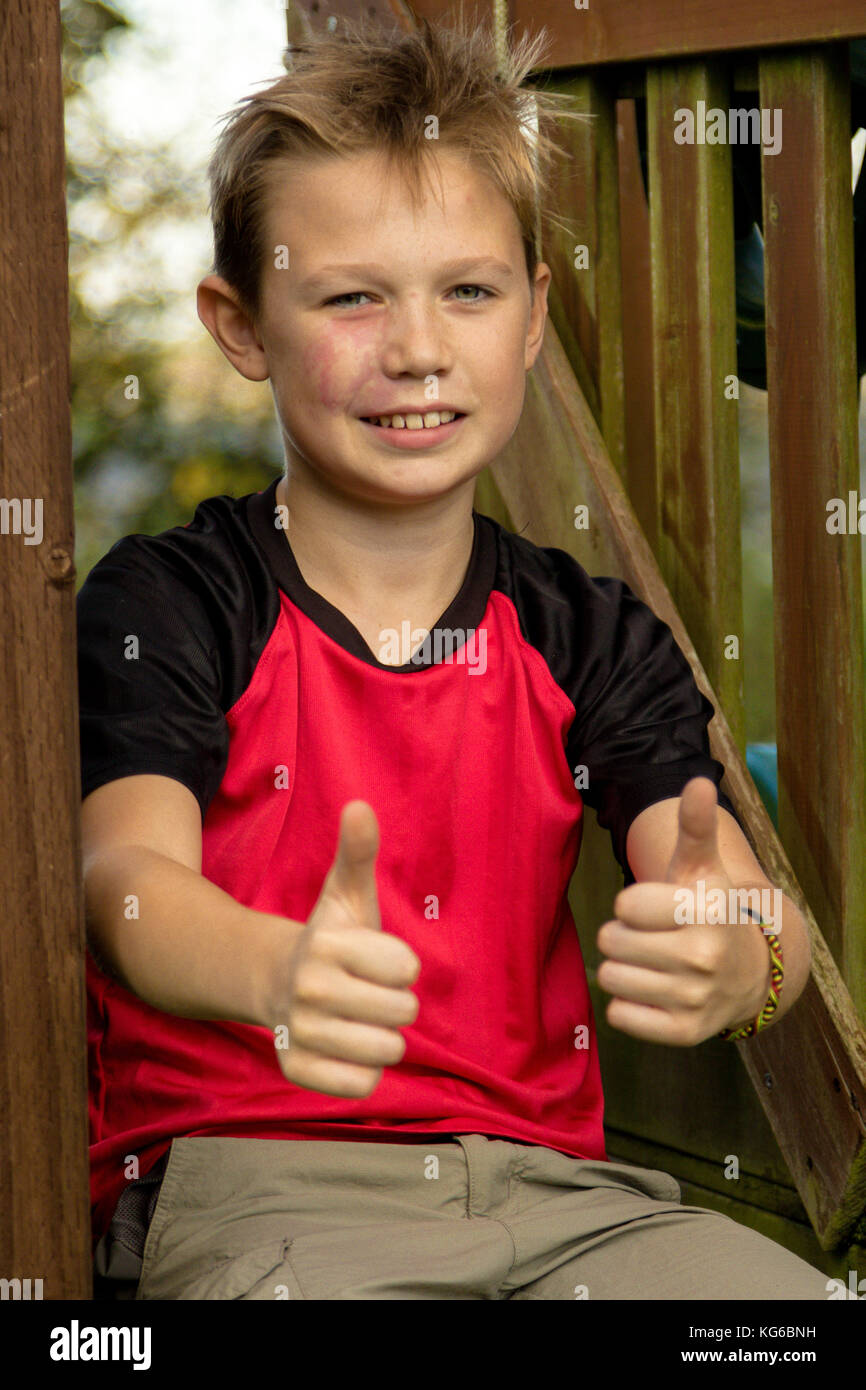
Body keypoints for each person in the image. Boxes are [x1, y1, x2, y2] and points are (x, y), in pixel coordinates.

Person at [79, 15, 829, 1301]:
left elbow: (742, 907)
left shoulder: (583, 631)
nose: (418, 348)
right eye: (351, 295)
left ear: (534, 316)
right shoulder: (177, 596)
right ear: (241, 320)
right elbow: (125, 879)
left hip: (562, 1203)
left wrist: (739, 956)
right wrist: (274, 967)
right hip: (264, 1193)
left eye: (467, 290)